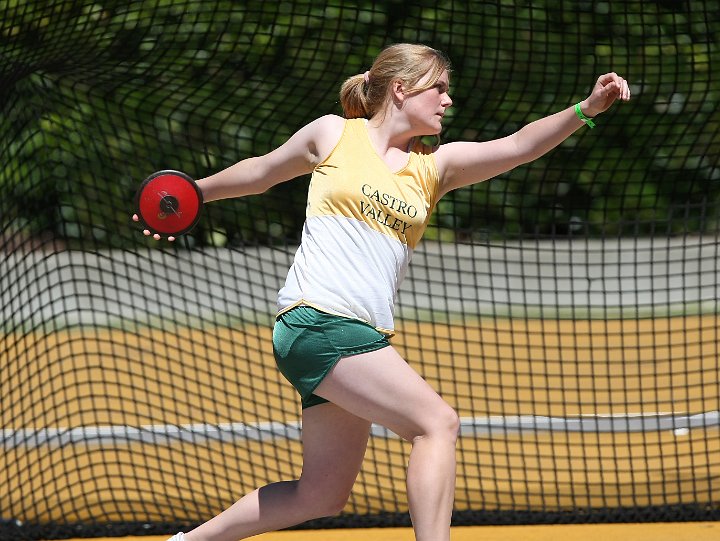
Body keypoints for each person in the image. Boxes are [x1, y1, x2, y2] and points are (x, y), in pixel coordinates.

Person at [133, 43, 630, 541]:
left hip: (351, 335)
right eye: (439, 87)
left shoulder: (435, 168)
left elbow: (519, 145)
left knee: (321, 495)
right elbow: (262, 172)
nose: (447, 100)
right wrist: (191, 193)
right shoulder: (334, 133)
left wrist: (584, 111)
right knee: (437, 424)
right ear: (400, 88)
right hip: (318, 322)